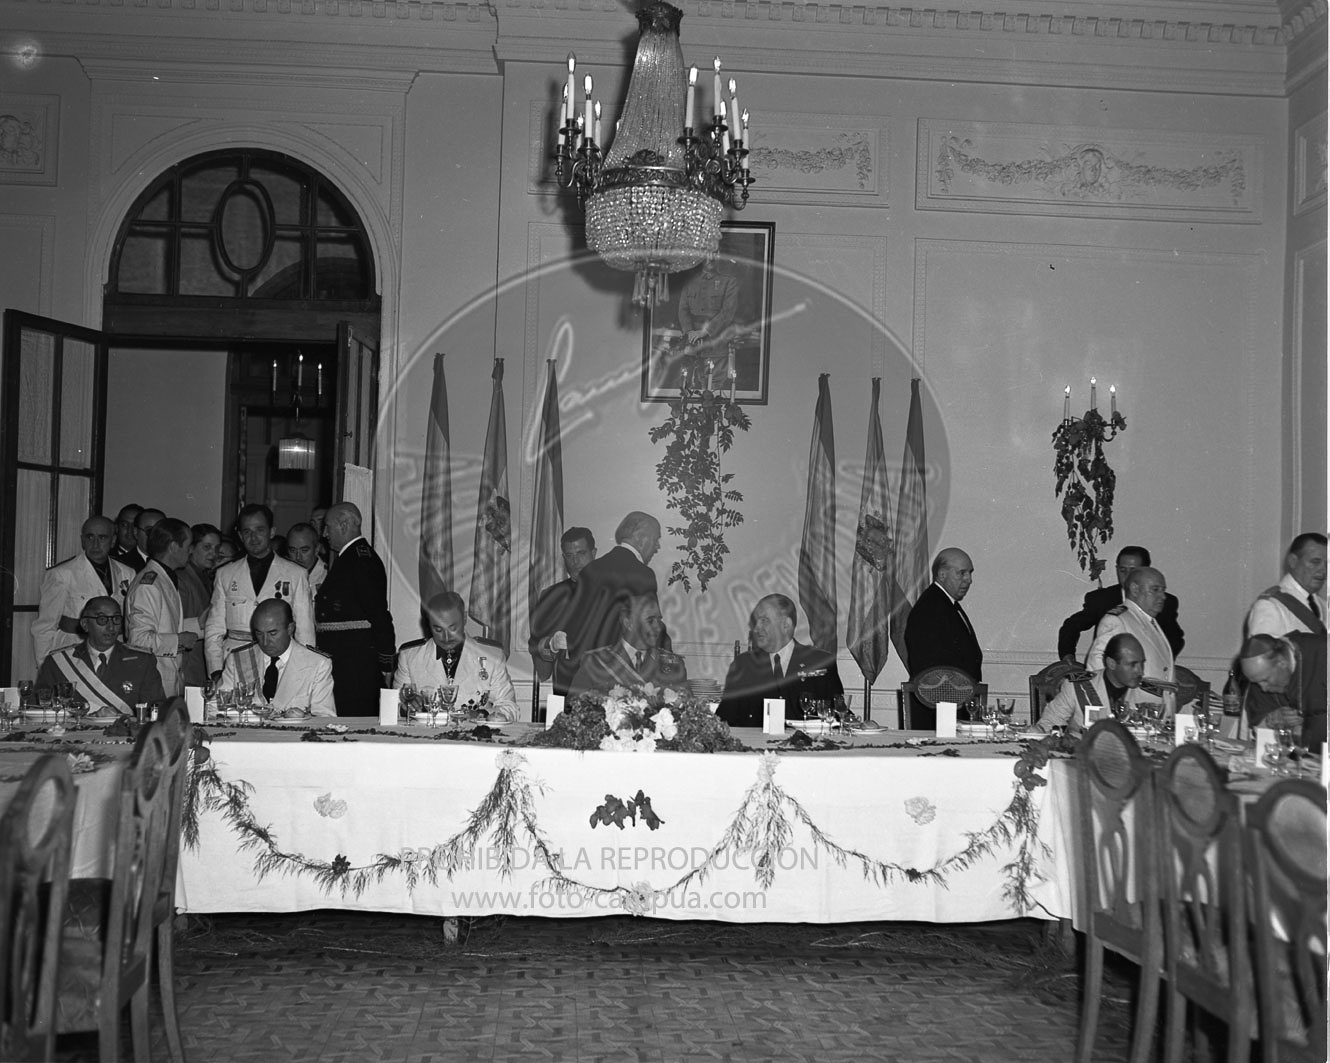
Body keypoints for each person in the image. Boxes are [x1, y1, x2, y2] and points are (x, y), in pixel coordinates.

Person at [205, 504, 314, 677]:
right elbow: (214, 629)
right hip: (234, 664)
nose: (253, 537)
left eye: (260, 530)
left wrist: (304, 672)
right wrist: (216, 670)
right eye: (247, 531)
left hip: (279, 663)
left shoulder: (295, 574)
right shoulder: (225, 574)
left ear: (272, 532)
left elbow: (305, 630)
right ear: (240, 535)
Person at [315, 502, 396, 716]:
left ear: (343, 525)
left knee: (354, 719)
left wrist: (386, 661)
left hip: (356, 663)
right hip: (344, 658)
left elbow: (379, 616)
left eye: (328, 527)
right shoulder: (349, 558)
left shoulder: (361, 561)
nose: (324, 534)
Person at [718, 593, 843, 728]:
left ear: (785, 624)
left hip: (805, 741)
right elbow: (725, 718)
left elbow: (838, 713)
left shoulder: (820, 662)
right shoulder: (743, 665)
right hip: (755, 741)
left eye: (764, 620)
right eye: (755, 622)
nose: (756, 628)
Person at [563, 512, 662, 677]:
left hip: (589, 670)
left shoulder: (590, 570)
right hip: (624, 672)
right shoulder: (643, 574)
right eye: (655, 539)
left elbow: (575, 627)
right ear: (642, 538)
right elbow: (650, 625)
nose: (657, 546)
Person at [394, 591, 519, 722]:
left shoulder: (491, 656)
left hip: (475, 732)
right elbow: (392, 708)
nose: (446, 637)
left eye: (452, 628)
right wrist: (407, 708)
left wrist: (480, 714)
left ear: (464, 618)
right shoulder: (410, 656)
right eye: (438, 630)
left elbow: (510, 708)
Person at [35, 596, 164, 716]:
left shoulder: (142, 661)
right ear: (85, 624)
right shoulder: (58, 662)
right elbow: (40, 710)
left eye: (116, 619)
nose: (111, 627)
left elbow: (156, 710)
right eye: (102, 620)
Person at [31, 515, 134, 666]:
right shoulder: (62, 574)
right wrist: (44, 666)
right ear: (82, 540)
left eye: (102, 538)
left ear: (113, 541)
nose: (95, 544)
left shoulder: (127, 573)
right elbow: (45, 626)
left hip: (115, 652)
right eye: (90, 537)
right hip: (74, 651)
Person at [1057, 545, 1185, 660]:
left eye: (1133, 571)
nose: (1128, 576)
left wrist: (1160, 661)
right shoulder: (1102, 599)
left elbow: (1175, 639)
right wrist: (1068, 656)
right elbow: (1071, 626)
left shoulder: (1164, 601)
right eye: (1123, 570)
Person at [903, 548, 982, 729]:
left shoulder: (945, 603)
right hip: (939, 714)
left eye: (970, 573)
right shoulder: (931, 608)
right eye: (962, 573)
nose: (969, 579)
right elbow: (930, 668)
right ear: (942, 574)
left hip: (951, 708)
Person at [217, 599, 335, 717]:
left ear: (290, 629)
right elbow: (217, 708)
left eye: (272, 633)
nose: (265, 642)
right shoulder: (238, 659)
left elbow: (324, 718)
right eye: (259, 633)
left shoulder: (317, 664)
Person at [567, 593, 688, 699]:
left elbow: (687, 708)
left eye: (659, 620)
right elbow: (574, 706)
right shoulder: (596, 662)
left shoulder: (673, 665)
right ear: (629, 623)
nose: (658, 627)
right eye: (650, 621)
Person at [125, 517, 195, 696]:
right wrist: (179, 641)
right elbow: (138, 640)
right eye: (188, 546)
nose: (191, 551)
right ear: (173, 547)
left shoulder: (164, 578)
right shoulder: (149, 585)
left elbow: (165, 625)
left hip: (168, 679)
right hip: (154, 681)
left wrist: (199, 625)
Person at [1034, 634, 1150, 734]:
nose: (1140, 671)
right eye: (1132, 665)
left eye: (1142, 663)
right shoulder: (1078, 686)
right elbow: (1048, 724)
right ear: (1111, 663)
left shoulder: (1151, 694)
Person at [528, 526, 597, 695]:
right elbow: (540, 659)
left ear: (593, 553)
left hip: (607, 690)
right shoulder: (552, 597)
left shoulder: (613, 592)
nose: (576, 562)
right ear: (563, 557)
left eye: (581, 553)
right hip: (566, 690)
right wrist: (550, 646)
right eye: (570, 555)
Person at [1085, 566, 1174, 684]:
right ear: (1135, 589)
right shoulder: (1117, 621)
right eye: (1155, 589)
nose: (1163, 596)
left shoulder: (1149, 620)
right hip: (1132, 696)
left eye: (1163, 590)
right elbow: (1097, 669)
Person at [1238, 632, 1326, 749]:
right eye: (1255, 683)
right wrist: (1271, 720)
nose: (1263, 688)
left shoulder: (1323, 653)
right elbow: (1260, 731)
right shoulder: (1261, 675)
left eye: (1265, 680)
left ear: (1282, 662)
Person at [1246, 532, 1327, 638]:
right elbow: (1263, 648)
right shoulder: (1270, 605)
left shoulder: (1323, 605)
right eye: (1315, 562)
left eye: (1328, 563)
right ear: (1293, 561)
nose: (1324, 570)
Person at [178, 522, 222, 686]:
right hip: (188, 662)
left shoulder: (207, 577)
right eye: (207, 547)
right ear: (191, 548)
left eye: (217, 548)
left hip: (201, 662)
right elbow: (177, 624)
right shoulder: (182, 578)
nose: (213, 553)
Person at [678, 253, 739, 352]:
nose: (710, 259)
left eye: (714, 254)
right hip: (692, 343)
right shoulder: (690, 281)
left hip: (717, 344)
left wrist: (706, 331)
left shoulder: (729, 281)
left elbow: (728, 311)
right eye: (706, 255)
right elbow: (683, 310)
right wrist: (689, 331)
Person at [286, 522, 329, 598]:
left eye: (304, 550)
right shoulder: (283, 573)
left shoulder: (327, 576)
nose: (298, 557)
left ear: (317, 549)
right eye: (292, 550)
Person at [129, 507, 165, 572]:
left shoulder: (173, 564)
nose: (155, 536)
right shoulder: (122, 565)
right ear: (136, 532)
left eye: (160, 532)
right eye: (149, 531)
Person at [111, 503, 144, 570]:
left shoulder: (151, 559)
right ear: (117, 528)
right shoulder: (105, 556)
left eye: (134, 525)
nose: (130, 530)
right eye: (124, 525)